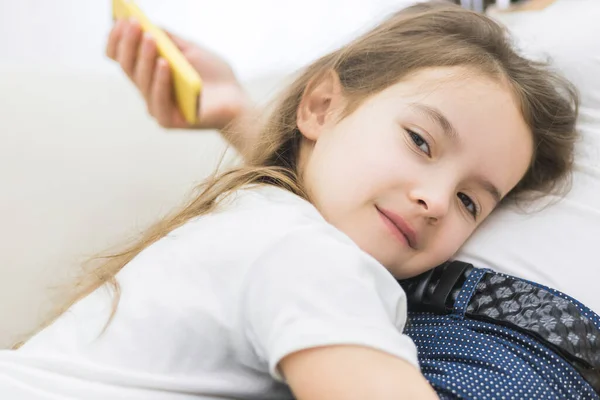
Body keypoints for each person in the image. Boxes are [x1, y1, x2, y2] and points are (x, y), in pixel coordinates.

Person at [0, 1, 586, 399]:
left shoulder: (265, 223)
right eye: (420, 141)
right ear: (321, 107)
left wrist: (233, 114)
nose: (434, 200)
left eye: (470, 202)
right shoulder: (307, 258)